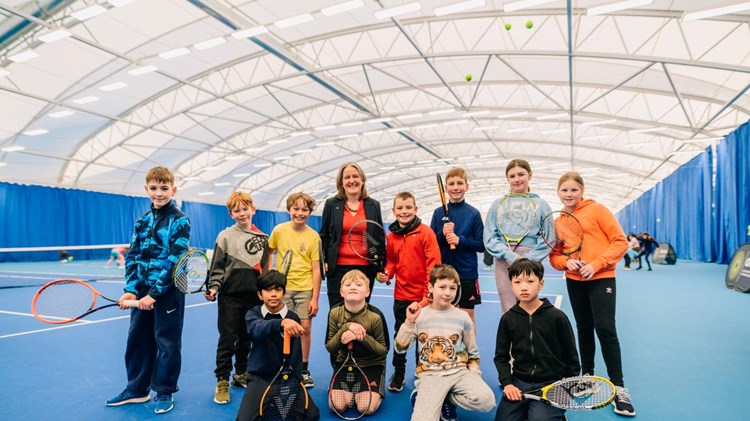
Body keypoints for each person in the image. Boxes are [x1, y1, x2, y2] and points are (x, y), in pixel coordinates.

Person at [549, 171, 635, 417]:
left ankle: (619, 388)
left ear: (582, 191)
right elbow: (555, 255)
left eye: (573, 189)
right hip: (575, 281)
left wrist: (596, 264)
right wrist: (566, 264)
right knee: (583, 328)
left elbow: (620, 242)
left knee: (606, 329)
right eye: (564, 190)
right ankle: (587, 376)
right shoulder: (559, 221)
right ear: (558, 192)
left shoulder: (598, 210)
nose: (569, 194)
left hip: (601, 278)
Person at [106, 166, 190, 414]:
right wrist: (132, 290)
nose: (159, 193)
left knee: (167, 343)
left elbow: (176, 261)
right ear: (146, 190)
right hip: (141, 291)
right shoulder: (141, 222)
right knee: (137, 340)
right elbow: (133, 256)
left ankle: (164, 392)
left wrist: (154, 294)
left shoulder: (180, 220)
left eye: (164, 188)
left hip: (168, 292)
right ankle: (136, 390)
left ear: (173, 190)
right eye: (154, 188)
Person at [396, 264, 495, 421]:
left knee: (487, 402)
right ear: (430, 287)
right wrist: (408, 323)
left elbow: (473, 352)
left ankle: (447, 399)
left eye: (452, 288)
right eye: (442, 287)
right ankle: (422, 394)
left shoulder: (463, 317)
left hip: (459, 373)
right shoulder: (420, 316)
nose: (448, 293)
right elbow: (400, 348)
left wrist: (475, 374)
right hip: (431, 375)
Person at [494, 258, 580, 421]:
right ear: (511, 286)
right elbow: (501, 357)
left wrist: (567, 387)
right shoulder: (508, 319)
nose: (524, 287)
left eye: (530, 281)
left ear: (541, 283)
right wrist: (508, 383)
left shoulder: (557, 317)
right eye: (517, 282)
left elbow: (572, 358)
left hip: (551, 384)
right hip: (520, 382)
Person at [204, 192, 269, 404]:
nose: (242, 213)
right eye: (236, 210)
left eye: (245, 209)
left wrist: (267, 294)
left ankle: (241, 373)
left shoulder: (263, 238)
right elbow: (217, 268)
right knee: (227, 340)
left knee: (246, 339)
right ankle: (222, 381)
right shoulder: (224, 236)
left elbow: (266, 270)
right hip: (229, 298)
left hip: (254, 298)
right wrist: (213, 288)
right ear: (231, 214)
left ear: (253, 209)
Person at [377, 191, 441, 393]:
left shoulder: (426, 233)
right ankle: (399, 374)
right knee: (401, 338)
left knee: (424, 338)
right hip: (401, 297)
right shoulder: (391, 236)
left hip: (423, 299)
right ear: (394, 211)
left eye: (408, 207)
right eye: (400, 208)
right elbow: (391, 262)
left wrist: (426, 297)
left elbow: (434, 266)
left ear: (415, 209)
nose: (404, 211)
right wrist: (387, 274)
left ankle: (422, 372)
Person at [236, 270, 320, 421]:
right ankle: (270, 400)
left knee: (312, 415)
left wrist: (295, 379)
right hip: (261, 377)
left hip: (286, 377)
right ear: (260, 295)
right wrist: (281, 323)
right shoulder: (253, 314)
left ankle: (276, 400)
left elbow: (296, 354)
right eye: (268, 290)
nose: (273, 294)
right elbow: (258, 328)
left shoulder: (293, 318)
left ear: (284, 293)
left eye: (278, 289)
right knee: (244, 419)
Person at [267, 192, 322, 388]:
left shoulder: (314, 236)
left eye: (304, 210)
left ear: (309, 212)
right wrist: (267, 277)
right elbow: (269, 251)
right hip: (283, 290)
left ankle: (304, 368)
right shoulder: (279, 230)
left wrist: (315, 297)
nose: (300, 213)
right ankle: (283, 366)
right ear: (289, 209)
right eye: (296, 209)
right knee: (283, 329)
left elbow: (316, 268)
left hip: (305, 289)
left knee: (305, 329)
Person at [484, 159, 552, 314]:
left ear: (530, 175)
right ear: (507, 179)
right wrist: (510, 257)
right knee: (507, 308)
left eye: (521, 174)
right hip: (503, 262)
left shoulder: (542, 204)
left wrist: (528, 259)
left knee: (529, 306)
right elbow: (489, 237)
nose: (517, 179)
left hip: (531, 263)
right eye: (512, 176)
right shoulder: (497, 204)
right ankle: (509, 339)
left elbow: (549, 237)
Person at [319, 162, 384, 308]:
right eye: (347, 177)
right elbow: (324, 235)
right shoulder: (331, 204)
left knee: (361, 313)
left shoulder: (374, 205)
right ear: (341, 183)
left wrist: (381, 266)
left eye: (355, 176)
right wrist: (324, 261)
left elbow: (378, 238)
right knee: (337, 314)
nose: (351, 180)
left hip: (366, 268)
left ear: (362, 180)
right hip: (337, 269)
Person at [325, 269, 389, 416]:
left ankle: (371, 389)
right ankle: (352, 392)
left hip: (371, 365)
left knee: (365, 408)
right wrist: (346, 328)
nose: (353, 287)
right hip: (345, 364)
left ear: (367, 292)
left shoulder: (376, 316)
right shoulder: (335, 313)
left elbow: (383, 350)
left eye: (359, 284)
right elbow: (330, 348)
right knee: (337, 406)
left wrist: (361, 336)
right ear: (341, 292)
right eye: (348, 284)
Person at [430, 167, 485, 328]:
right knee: (442, 317)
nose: (455, 187)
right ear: (445, 188)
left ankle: (470, 353)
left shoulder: (473, 214)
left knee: (467, 319)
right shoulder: (437, 213)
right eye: (451, 184)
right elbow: (431, 243)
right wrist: (442, 233)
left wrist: (459, 240)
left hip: (466, 274)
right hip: (442, 273)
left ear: (466, 187)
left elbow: (481, 245)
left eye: (460, 183)